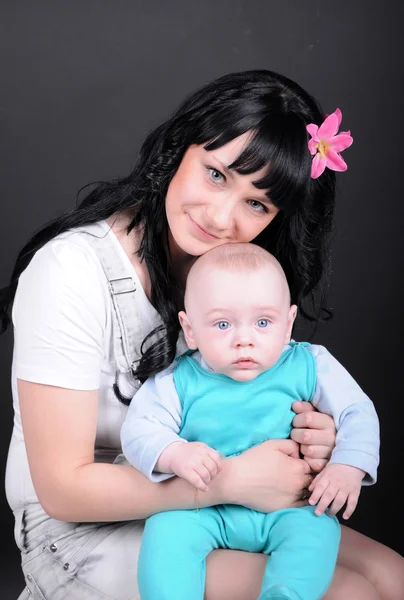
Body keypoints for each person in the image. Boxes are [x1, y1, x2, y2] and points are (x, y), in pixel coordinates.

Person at [1, 70, 403, 600]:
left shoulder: (228, 279)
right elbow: (63, 490)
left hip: (216, 509)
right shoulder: (71, 269)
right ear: (179, 149)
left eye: (256, 204)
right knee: (346, 593)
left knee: (392, 576)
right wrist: (231, 481)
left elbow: (252, 409)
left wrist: (315, 440)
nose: (220, 217)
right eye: (215, 175)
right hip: (79, 531)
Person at [121, 242, 379, 600]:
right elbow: (139, 429)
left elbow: (357, 412)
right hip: (204, 508)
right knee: (166, 533)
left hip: (289, 507)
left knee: (316, 532)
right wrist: (173, 453)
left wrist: (348, 465)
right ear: (190, 328)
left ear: (288, 322)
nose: (245, 340)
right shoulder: (177, 379)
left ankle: (285, 595)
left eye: (262, 322)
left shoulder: (309, 364)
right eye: (223, 324)